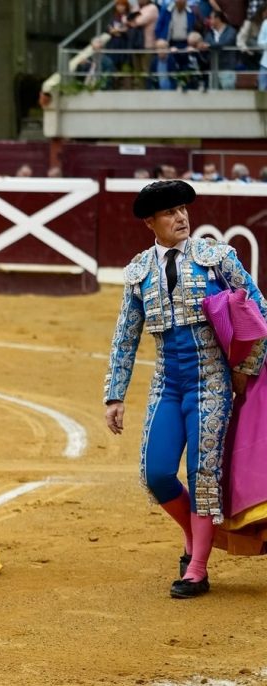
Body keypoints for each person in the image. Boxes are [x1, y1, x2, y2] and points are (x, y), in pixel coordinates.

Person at [104, 179, 267, 599]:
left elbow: (259, 309)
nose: (181, 218)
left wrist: (244, 369)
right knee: (156, 473)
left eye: (183, 210)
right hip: (168, 384)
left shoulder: (217, 258)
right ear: (150, 222)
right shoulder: (139, 271)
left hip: (211, 381)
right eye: (170, 213)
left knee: (203, 475)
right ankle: (194, 535)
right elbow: (126, 336)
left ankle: (197, 568)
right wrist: (115, 394)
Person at [206, 9, 238, 89]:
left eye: (211, 18)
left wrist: (210, 46)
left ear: (217, 19)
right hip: (213, 69)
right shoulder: (209, 33)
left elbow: (225, 43)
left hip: (227, 69)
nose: (209, 21)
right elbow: (206, 42)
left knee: (228, 95)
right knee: (213, 95)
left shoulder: (231, 31)